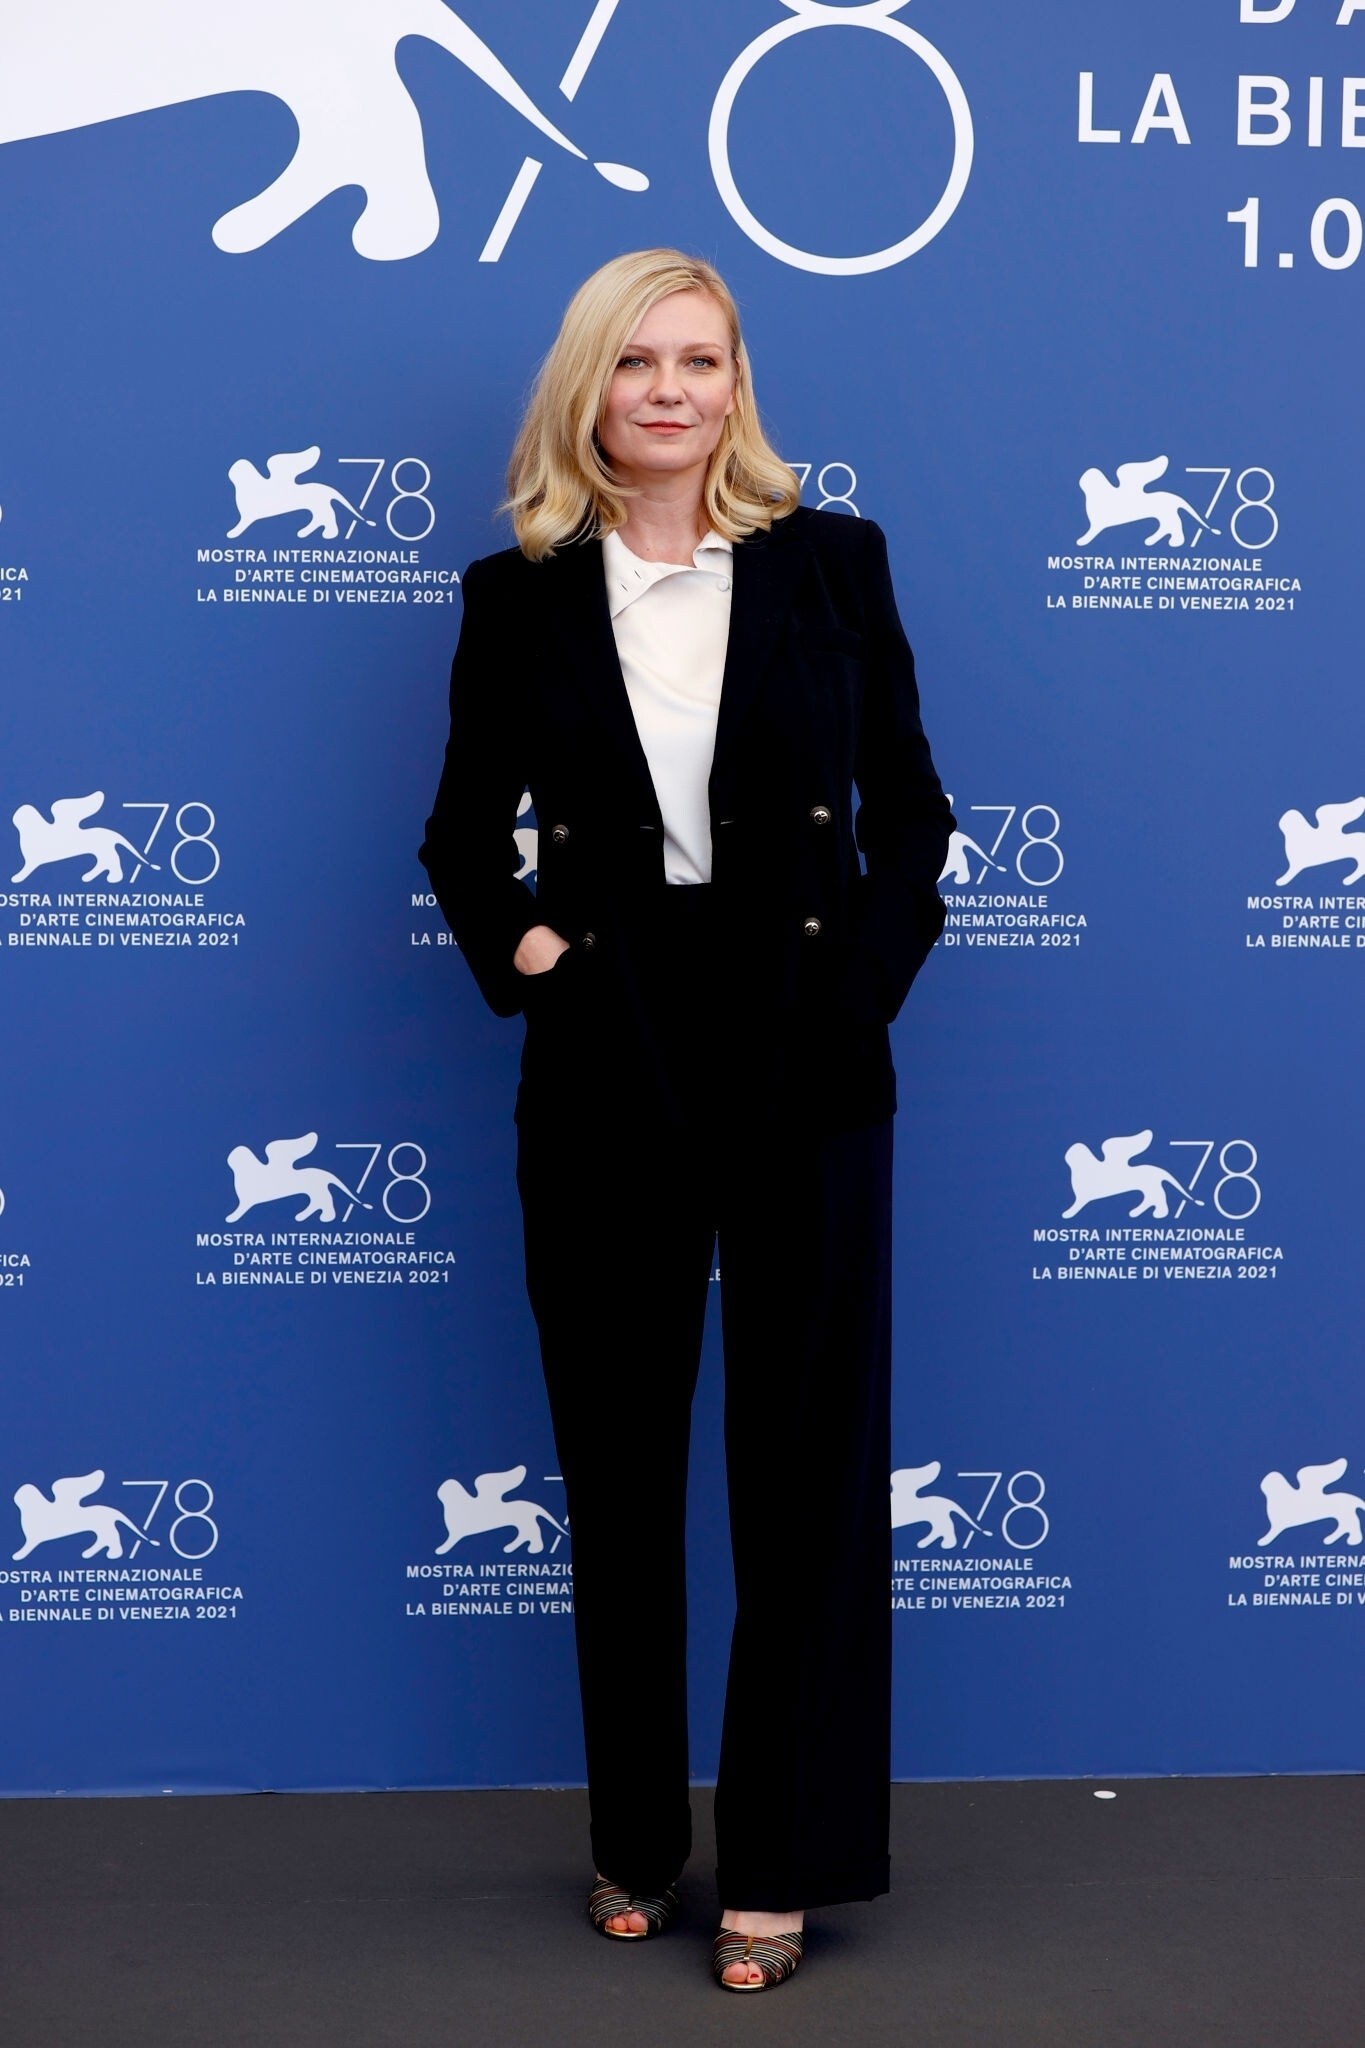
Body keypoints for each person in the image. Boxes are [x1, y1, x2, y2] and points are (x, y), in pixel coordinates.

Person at [419, 248, 952, 1993]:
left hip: (804, 1046)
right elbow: (457, 834)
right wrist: (533, 955)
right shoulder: (517, 594)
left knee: (804, 1478)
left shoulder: (833, 563)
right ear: (588, 389)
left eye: (700, 361)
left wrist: (856, 990)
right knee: (620, 1464)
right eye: (637, 362)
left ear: (737, 384)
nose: (669, 391)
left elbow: (912, 815)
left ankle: (779, 1867)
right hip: (609, 1051)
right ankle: (636, 1840)